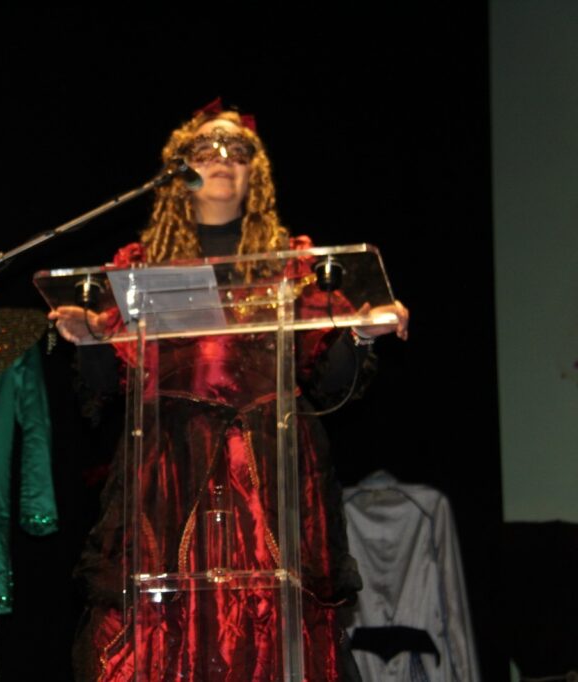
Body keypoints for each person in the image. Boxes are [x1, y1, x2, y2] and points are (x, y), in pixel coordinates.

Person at [49, 105, 409, 681]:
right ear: (180, 171)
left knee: (266, 617)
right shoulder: (142, 266)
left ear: (254, 174)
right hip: (169, 469)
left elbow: (328, 382)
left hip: (267, 471)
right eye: (207, 151)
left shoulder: (292, 264)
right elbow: (103, 387)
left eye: (238, 153)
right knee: (162, 619)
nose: (223, 160)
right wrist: (92, 340)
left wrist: (360, 335)